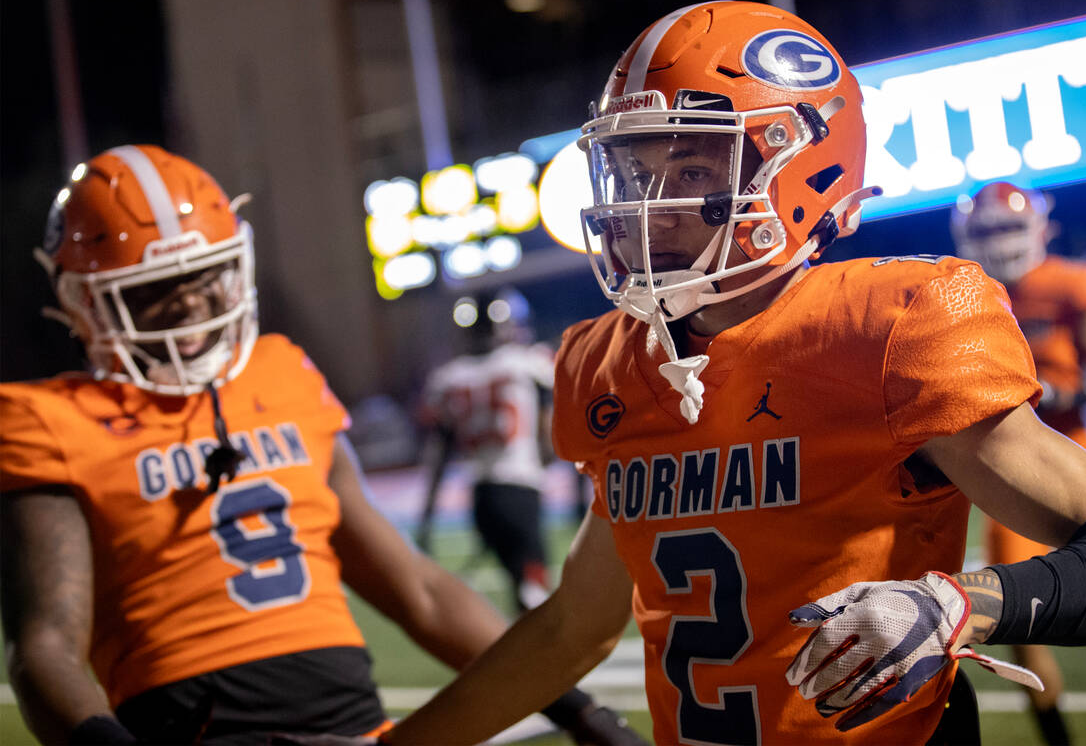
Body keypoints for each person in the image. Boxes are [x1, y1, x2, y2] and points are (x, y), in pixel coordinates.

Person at [386, 1, 1086, 745]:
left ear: (803, 169)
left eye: (693, 172)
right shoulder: (611, 361)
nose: (649, 206)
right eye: (635, 173)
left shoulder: (889, 326)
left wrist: (960, 603)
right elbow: (574, 627)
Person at [0, 145, 646, 745]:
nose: (189, 306)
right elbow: (45, 647)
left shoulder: (280, 372)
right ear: (83, 302)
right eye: (150, 291)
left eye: (203, 275)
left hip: (356, 728)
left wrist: (578, 709)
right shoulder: (47, 419)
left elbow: (415, 588)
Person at [952, 184, 1086, 746]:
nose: (999, 242)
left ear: (1042, 229)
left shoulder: (1068, 282)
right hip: (1005, 467)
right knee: (1017, 620)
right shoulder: (963, 290)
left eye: (1006, 228)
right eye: (987, 231)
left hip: (1072, 454)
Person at [417, 288, 558, 613]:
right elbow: (549, 438)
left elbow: (440, 454)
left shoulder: (449, 378)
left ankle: (527, 656)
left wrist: (427, 517)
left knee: (520, 586)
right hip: (519, 491)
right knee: (534, 593)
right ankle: (535, 659)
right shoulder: (527, 365)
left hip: (480, 497)